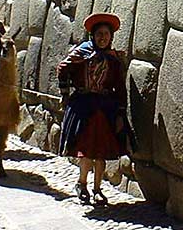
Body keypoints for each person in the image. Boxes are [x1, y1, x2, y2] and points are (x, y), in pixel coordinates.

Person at [57, 13, 134, 205]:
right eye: (99, 34)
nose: (103, 38)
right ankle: (82, 183)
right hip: (84, 106)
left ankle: (98, 189)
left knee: (101, 151)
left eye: (106, 34)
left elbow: (119, 85)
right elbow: (62, 68)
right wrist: (65, 93)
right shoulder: (82, 52)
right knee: (87, 150)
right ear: (92, 35)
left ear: (111, 37)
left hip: (104, 108)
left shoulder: (113, 59)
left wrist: (120, 109)